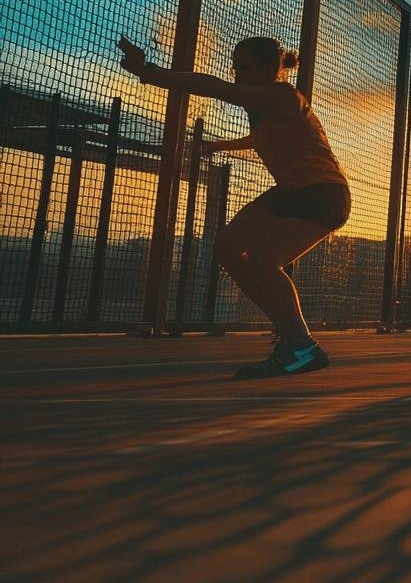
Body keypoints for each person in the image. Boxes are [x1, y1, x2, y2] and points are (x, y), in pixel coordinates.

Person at [118, 35, 348, 379]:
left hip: (322, 194)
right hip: (291, 190)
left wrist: (148, 72)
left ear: (271, 69)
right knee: (227, 247)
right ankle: (289, 330)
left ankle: (302, 345)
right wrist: (217, 145)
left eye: (245, 68)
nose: (237, 74)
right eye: (235, 66)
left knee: (265, 261)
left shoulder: (281, 95)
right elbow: (260, 139)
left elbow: (213, 87)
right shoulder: (266, 110)